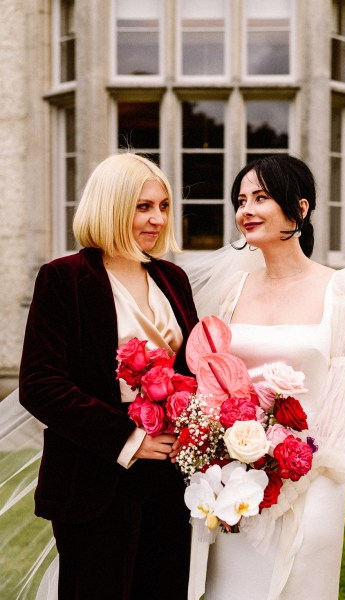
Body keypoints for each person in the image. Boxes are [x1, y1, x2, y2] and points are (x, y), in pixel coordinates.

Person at [186, 154, 345, 600]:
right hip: (233, 479)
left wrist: (286, 471)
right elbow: (215, 382)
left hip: (311, 481)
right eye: (240, 200)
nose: (245, 210)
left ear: (301, 209)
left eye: (261, 197)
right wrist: (228, 458)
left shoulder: (343, 290)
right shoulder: (234, 290)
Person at [18, 152, 198, 600]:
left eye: (163, 206)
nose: (157, 219)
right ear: (110, 205)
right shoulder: (64, 278)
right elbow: (40, 384)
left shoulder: (173, 278)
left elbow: (192, 370)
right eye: (142, 206)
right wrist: (130, 438)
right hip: (94, 478)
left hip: (168, 482)